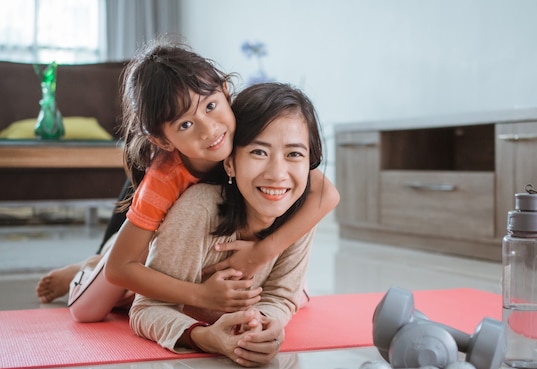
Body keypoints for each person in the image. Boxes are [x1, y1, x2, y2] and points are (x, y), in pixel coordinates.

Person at [39, 35, 339, 322]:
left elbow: (327, 193)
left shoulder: (242, 129)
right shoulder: (164, 179)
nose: (209, 130)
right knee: (91, 309)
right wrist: (202, 296)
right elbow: (120, 268)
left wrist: (264, 252)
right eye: (185, 124)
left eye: (210, 106)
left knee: (300, 295)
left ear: (225, 91)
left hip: (196, 245)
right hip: (146, 240)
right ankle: (88, 266)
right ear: (162, 140)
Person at [130, 82, 323, 367]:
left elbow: (281, 296)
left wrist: (262, 324)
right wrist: (205, 337)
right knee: (99, 296)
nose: (277, 174)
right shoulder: (198, 211)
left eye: (294, 154)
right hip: (144, 264)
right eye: (259, 152)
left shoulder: (301, 209)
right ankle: (85, 267)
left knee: (301, 294)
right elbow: (144, 308)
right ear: (230, 164)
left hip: (169, 251)